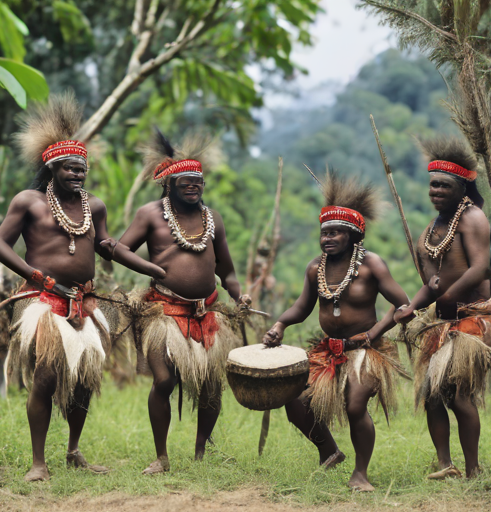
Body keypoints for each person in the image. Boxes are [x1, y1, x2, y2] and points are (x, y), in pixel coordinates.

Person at [0, 93, 165, 482]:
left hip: (84, 300)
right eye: (69, 169)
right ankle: (38, 462)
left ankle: (73, 451)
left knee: (84, 379)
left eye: (82, 170)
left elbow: (106, 245)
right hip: (44, 299)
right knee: (48, 375)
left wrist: (149, 265)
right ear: (52, 167)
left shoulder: (94, 206)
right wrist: (36, 276)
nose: (77, 175)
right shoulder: (29, 202)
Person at [263, 172, 409, 491]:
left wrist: (376, 332)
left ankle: (361, 474)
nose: (327, 238)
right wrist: (280, 324)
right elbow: (301, 308)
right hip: (328, 350)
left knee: (356, 405)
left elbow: (402, 305)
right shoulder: (316, 267)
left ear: (353, 235)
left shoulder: (372, 265)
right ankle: (328, 450)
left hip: (366, 351)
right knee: (294, 399)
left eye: (336, 233)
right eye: (324, 233)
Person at [118, 130, 250, 474]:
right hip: (163, 312)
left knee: (210, 386)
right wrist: (149, 267)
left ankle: (201, 453)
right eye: (185, 181)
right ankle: (161, 457)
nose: (193, 186)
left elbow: (228, 271)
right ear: (169, 184)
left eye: (198, 181)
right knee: (163, 381)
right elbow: (119, 248)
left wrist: (240, 294)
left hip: (207, 313)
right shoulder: (150, 214)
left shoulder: (213, 219)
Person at [394, 138, 491, 479]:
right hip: (444, 320)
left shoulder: (473, 217)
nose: (435, 190)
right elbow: (431, 286)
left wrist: (445, 296)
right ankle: (444, 464)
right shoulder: (429, 233)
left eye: (443, 185)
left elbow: (480, 268)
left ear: (462, 186)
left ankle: (474, 469)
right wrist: (411, 307)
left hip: (475, 317)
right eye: (432, 184)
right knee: (432, 393)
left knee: (460, 394)